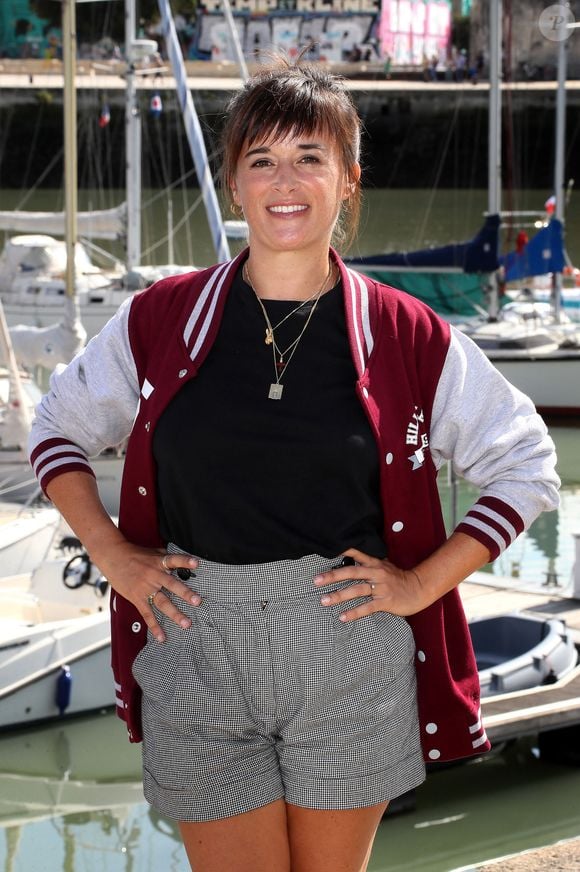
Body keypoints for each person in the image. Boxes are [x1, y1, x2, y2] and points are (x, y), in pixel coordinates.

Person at [29, 56, 559, 872]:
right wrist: (109, 553)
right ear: (234, 183)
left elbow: (526, 461)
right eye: (262, 160)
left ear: (348, 180)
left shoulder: (408, 332)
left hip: (349, 646)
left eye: (311, 157)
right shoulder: (159, 320)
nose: (287, 180)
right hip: (196, 637)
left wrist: (419, 585)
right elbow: (57, 428)